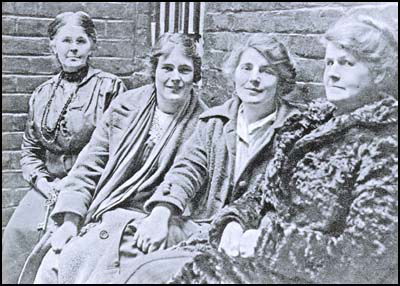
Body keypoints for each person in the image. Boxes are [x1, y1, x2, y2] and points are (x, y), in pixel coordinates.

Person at [156, 14, 398, 284]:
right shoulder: (308, 126)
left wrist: (266, 244)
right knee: (146, 269)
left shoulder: (385, 145)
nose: (332, 72)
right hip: (251, 259)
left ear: (379, 73)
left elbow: (365, 259)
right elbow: (262, 195)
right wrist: (234, 221)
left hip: (296, 274)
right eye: (329, 62)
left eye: (346, 63)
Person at [112, 34, 336, 284]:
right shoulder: (215, 122)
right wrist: (161, 212)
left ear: (281, 80)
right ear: (235, 73)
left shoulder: (297, 129)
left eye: (266, 71)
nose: (254, 79)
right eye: (247, 68)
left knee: (160, 274)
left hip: (254, 238)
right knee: (132, 243)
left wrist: (258, 231)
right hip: (205, 226)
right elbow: (187, 169)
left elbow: (293, 200)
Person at [28, 32, 207, 284]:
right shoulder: (126, 106)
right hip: (107, 207)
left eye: (184, 70)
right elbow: (89, 166)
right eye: (167, 68)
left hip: (158, 221)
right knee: (54, 262)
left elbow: (186, 178)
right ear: (154, 69)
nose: (174, 78)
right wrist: (70, 221)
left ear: (195, 76)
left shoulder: (204, 123)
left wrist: (159, 216)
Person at [1, 11, 126, 284]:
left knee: (66, 247)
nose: (73, 48)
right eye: (65, 40)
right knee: (17, 233)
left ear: (92, 45)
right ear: (53, 46)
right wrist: (45, 183)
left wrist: (72, 182)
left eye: (80, 41)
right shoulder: (42, 93)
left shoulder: (110, 88)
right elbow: (30, 150)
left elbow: (117, 150)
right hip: (47, 188)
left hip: (91, 186)